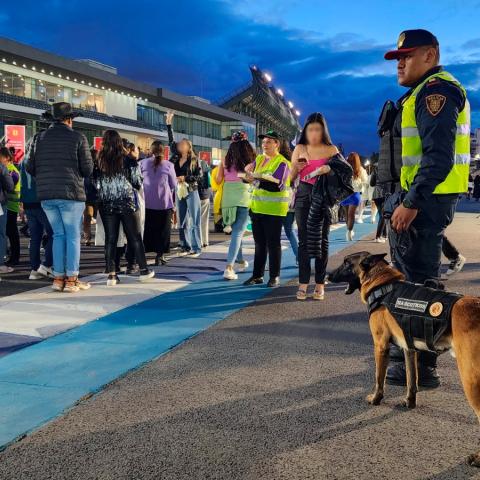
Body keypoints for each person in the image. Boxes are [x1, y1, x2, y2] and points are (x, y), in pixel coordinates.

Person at [382, 29, 470, 388]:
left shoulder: (436, 91)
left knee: (417, 289)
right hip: (424, 201)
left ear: (430, 55)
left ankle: (421, 367)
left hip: (424, 204)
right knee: (414, 284)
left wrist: (411, 202)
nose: (400, 62)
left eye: (408, 55)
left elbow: (437, 157)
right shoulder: (422, 92)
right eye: (397, 57)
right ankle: (413, 356)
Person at [25, 102, 93, 293]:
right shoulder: (78, 137)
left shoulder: (39, 138)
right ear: (69, 119)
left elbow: (29, 166)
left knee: (58, 235)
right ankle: (71, 279)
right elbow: (87, 169)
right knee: (72, 236)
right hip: (71, 193)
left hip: (47, 195)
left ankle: (58, 279)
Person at [290, 113, 341, 300]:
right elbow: (289, 179)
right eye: (310, 129)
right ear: (305, 130)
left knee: (322, 241)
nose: (313, 133)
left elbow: (344, 174)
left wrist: (330, 171)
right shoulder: (300, 147)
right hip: (303, 196)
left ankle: (320, 284)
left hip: (323, 197)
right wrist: (297, 168)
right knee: (303, 240)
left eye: (317, 129)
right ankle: (303, 282)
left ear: (323, 130)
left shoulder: (331, 149)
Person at [94, 129, 154, 286]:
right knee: (135, 237)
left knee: (111, 239)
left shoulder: (98, 161)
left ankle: (112, 275)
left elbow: (95, 183)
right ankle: (143, 270)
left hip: (107, 204)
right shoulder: (128, 160)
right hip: (127, 202)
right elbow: (137, 182)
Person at [243, 130, 290, 288]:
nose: (265, 144)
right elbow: (253, 178)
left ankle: (274, 276)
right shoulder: (259, 159)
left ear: (277, 144)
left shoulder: (282, 163)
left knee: (273, 244)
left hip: (274, 210)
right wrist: (247, 178)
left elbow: (277, 186)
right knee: (259, 244)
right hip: (257, 208)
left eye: (269, 142)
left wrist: (253, 181)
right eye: (263, 142)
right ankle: (257, 275)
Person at [216, 131, 254, 280]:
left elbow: (219, 180)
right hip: (244, 198)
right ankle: (228, 267)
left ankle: (240, 260)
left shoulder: (225, 161)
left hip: (228, 200)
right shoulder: (251, 161)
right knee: (238, 232)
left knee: (235, 233)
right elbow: (253, 180)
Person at [166, 111, 203, 257]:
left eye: (183, 143)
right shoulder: (175, 157)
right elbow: (170, 140)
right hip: (179, 191)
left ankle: (197, 247)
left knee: (194, 220)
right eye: (179, 143)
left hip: (191, 190)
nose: (180, 144)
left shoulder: (194, 160)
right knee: (181, 221)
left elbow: (199, 177)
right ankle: (184, 246)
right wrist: (169, 123)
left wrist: (185, 178)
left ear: (189, 147)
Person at [20, 140, 53, 280]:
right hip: (40, 201)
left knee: (35, 237)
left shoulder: (22, 161)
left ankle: (34, 269)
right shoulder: (38, 160)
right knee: (53, 233)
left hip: (27, 202)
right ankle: (47, 265)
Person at [140, 140, 177, 266]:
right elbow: (173, 184)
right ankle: (159, 256)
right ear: (163, 151)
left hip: (146, 202)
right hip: (164, 203)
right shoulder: (169, 165)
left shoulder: (142, 163)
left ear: (150, 151)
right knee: (163, 231)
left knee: (147, 229)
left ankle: (142, 255)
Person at [340, 152, 368, 241]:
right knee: (351, 215)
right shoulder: (360, 170)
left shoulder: (344, 169)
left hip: (344, 194)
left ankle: (348, 230)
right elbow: (365, 182)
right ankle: (349, 231)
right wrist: (361, 189)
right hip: (355, 194)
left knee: (346, 215)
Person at [279, 140, 298, 263]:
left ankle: (271, 262)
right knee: (290, 231)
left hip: (278, 202)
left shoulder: (279, 162)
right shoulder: (293, 164)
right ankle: (299, 257)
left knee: (273, 234)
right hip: (291, 202)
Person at [2, 148, 20, 266]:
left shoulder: (12, 171)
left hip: (11, 206)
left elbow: (9, 187)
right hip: (7, 205)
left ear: (7, 158)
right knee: (7, 232)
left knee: (11, 233)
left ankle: (15, 257)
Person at [0, 150, 14, 279]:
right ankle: (0, 264)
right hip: (0, 203)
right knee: (1, 233)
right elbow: (10, 186)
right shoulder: (2, 168)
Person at [83, 147, 98, 246]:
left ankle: (87, 238)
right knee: (101, 220)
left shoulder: (85, 168)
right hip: (98, 196)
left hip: (88, 196)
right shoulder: (101, 168)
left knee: (87, 219)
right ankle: (90, 238)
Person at [198, 158, 211, 248]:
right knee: (204, 220)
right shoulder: (203, 163)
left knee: (194, 221)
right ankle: (205, 241)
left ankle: (198, 241)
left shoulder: (190, 162)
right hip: (205, 194)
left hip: (195, 194)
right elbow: (208, 181)